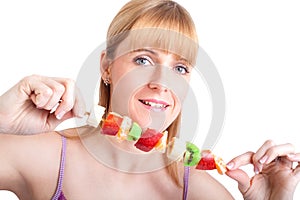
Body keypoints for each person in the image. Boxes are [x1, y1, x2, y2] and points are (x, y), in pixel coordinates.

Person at [0, 0, 299, 199]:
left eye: (180, 68)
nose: (162, 83)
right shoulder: (48, 157)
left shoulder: (202, 192)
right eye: (143, 60)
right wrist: (1, 120)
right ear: (106, 66)